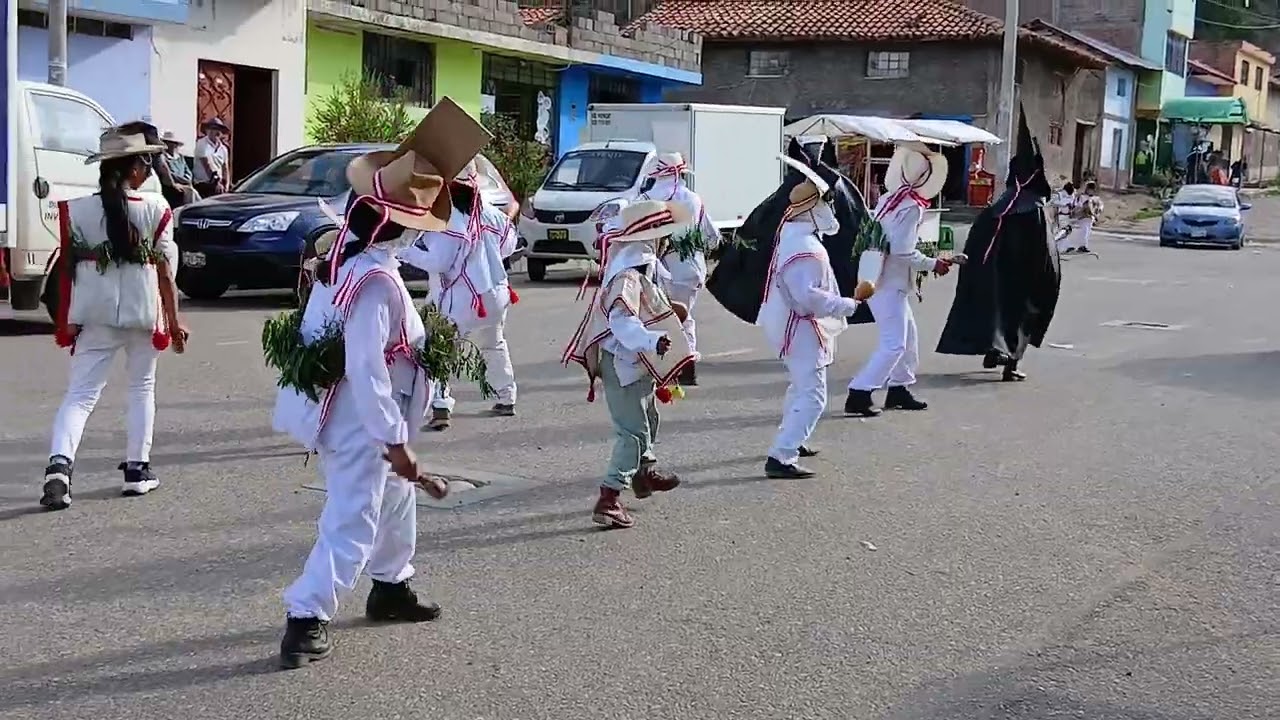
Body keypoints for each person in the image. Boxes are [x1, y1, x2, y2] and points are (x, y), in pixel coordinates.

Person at [271, 97, 491, 669]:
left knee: (396, 500)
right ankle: (305, 616)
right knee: (354, 517)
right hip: (361, 420)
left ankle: (391, 585)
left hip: (356, 412)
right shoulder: (373, 282)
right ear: (396, 224)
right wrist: (392, 440)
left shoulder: (347, 259)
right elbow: (366, 367)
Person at [39, 127, 189, 511]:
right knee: (141, 388)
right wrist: (174, 324)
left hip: (95, 314)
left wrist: (67, 320)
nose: (149, 168)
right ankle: (137, 471)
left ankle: (59, 469)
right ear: (134, 168)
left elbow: (67, 270)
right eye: (147, 161)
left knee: (80, 395)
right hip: (144, 313)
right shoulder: (156, 208)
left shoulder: (77, 210)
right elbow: (165, 272)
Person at [563, 199, 695, 529]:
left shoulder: (640, 268)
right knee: (632, 433)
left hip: (636, 360)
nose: (666, 240)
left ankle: (644, 473)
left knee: (648, 416)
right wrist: (652, 340)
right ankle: (609, 497)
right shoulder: (629, 275)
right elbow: (622, 321)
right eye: (663, 234)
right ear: (651, 237)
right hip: (624, 361)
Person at [936, 107, 1061, 382]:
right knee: (1020, 316)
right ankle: (1010, 365)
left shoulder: (999, 206)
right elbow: (1045, 257)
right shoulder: (1033, 209)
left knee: (996, 310)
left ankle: (994, 352)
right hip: (1021, 280)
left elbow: (976, 245)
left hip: (995, 276)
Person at [758, 156, 861, 479]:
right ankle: (782, 455)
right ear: (811, 210)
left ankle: (794, 438)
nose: (830, 210)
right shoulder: (805, 247)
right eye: (824, 204)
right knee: (813, 396)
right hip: (800, 327)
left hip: (791, 324)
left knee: (800, 387)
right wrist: (845, 304)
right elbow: (807, 297)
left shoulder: (794, 238)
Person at [400, 157, 520, 430]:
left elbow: (439, 262)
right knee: (494, 343)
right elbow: (509, 246)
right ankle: (506, 396)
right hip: (495, 294)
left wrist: (405, 251)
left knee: (439, 349)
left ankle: (441, 406)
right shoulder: (491, 213)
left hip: (461, 298)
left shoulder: (447, 221)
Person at [844, 142, 953, 417]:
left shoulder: (887, 200)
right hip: (889, 284)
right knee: (895, 344)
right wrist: (933, 263)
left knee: (909, 339)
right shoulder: (911, 207)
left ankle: (899, 388)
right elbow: (903, 251)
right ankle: (859, 392)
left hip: (877, 277)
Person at [639, 152, 718, 386]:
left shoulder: (645, 199)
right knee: (684, 316)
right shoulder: (693, 199)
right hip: (690, 269)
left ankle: (665, 365)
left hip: (657, 270)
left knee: (658, 317)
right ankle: (686, 365)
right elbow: (711, 236)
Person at [1059, 181, 1102, 255]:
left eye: (1092, 189)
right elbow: (1077, 206)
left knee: (1087, 231)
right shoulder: (1081, 197)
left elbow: (1099, 207)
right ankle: (1079, 246)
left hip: (1089, 217)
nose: (1091, 191)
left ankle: (1081, 246)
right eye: (1090, 189)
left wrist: (1095, 214)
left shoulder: (1096, 198)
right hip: (1082, 216)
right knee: (1083, 230)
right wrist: (1081, 211)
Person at [159, 130, 198, 209]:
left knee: (192, 191)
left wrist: (187, 179)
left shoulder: (180, 157)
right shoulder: (164, 157)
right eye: (169, 143)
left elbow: (188, 171)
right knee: (190, 191)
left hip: (186, 183)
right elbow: (170, 174)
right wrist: (183, 181)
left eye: (174, 143)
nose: (172, 145)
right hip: (173, 185)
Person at [193, 117, 230, 198]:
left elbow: (225, 168)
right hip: (203, 183)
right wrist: (216, 183)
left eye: (218, 129)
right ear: (207, 131)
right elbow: (207, 166)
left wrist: (226, 185)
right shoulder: (202, 144)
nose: (215, 132)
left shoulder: (223, 149)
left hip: (219, 183)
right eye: (212, 129)